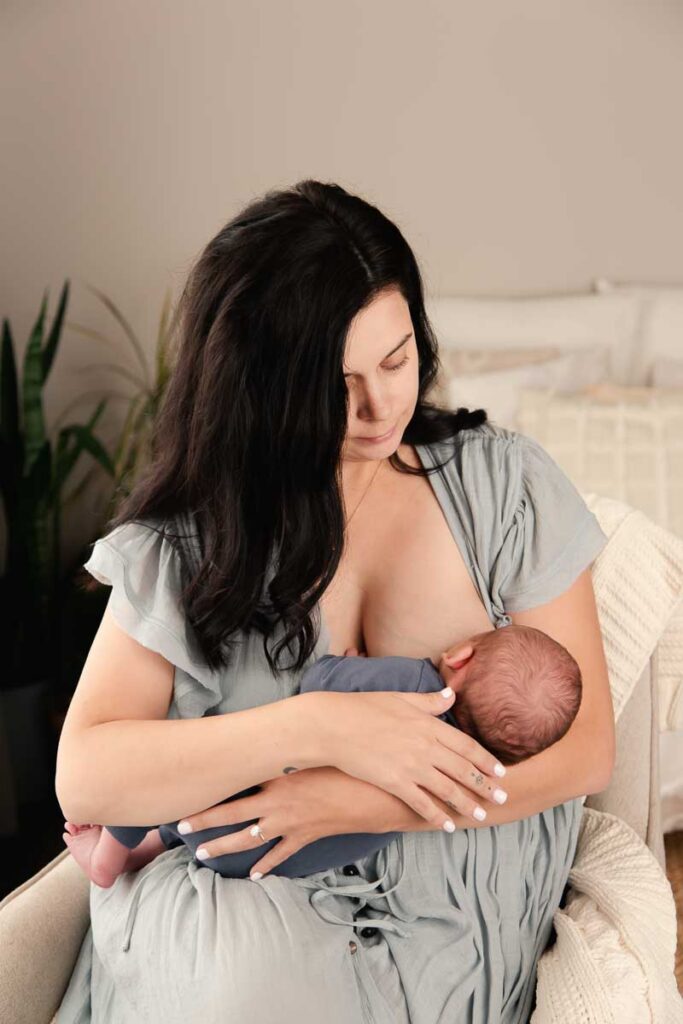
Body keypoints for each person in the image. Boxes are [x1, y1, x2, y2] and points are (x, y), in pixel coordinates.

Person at [55, 179, 614, 1024]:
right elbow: (84, 777)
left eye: (397, 360)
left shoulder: (503, 485)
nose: (379, 405)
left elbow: (585, 753)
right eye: (334, 381)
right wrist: (310, 728)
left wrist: (361, 802)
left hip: (452, 903)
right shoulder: (197, 537)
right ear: (258, 385)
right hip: (249, 904)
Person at [62, 622, 582, 887]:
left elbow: (320, 684)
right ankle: (154, 846)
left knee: (164, 756)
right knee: (184, 826)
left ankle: (108, 859)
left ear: (461, 654)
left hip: (233, 807)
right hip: (278, 861)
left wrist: (349, 668)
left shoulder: (412, 684)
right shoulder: (450, 782)